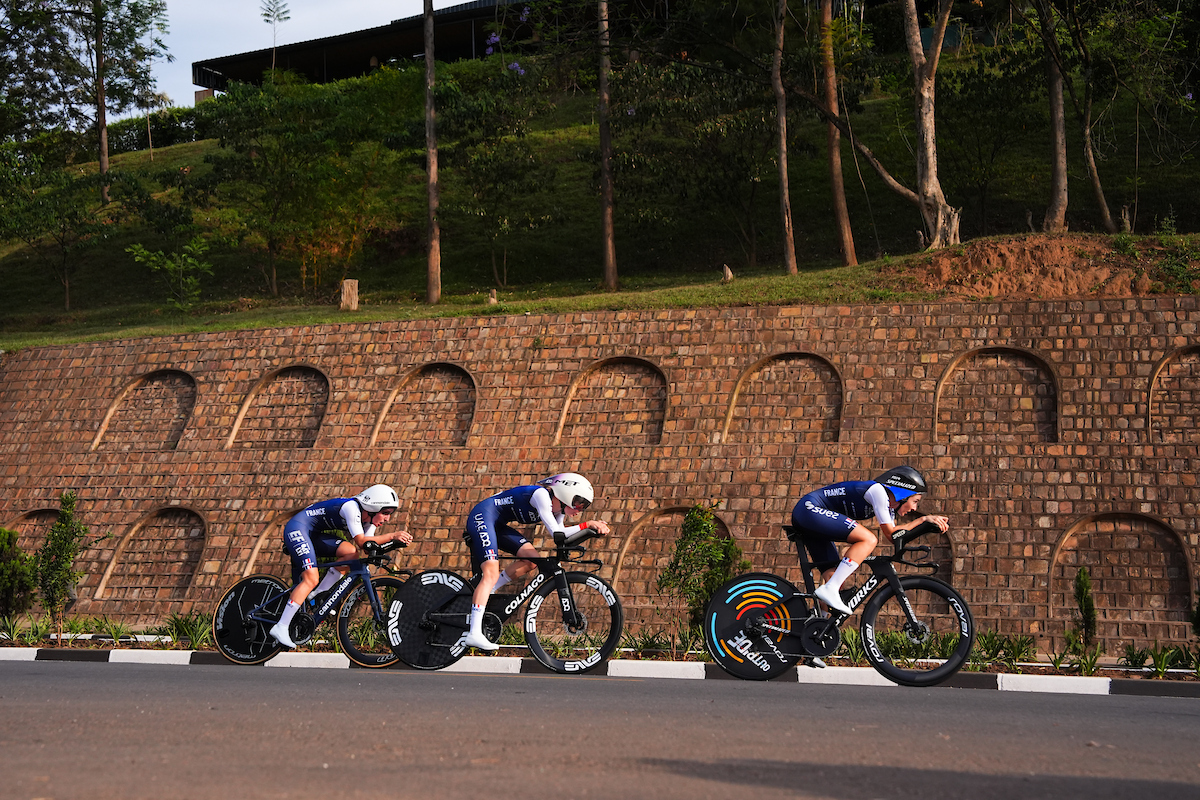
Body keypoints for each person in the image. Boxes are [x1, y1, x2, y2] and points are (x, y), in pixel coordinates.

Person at [460, 472, 610, 651]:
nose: (580, 509)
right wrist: (587, 525)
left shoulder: (558, 510)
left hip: (497, 524)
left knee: (532, 561)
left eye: (585, 506)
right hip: (483, 517)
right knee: (490, 573)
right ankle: (474, 633)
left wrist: (589, 529)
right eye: (579, 502)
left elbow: (562, 533)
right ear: (564, 494)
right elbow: (557, 534)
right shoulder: (541, 496)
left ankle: (488, 590)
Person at [269, 484, 413, 648]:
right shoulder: (351, 507)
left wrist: (394, 544)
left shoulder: (369, 521)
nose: (388, 519)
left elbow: (366, 547)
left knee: (351, 553)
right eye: (385, 513)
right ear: (372, 508)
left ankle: (317, 594)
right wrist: (393, 535)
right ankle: (281, 626)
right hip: (298, 528)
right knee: (311, 578)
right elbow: (362, 541)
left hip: (314, 534)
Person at [791, 466, 948, 617]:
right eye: (915, 501)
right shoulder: (878, 491)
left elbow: (895, 537)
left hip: (813, 518)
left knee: (836, 579)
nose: (914, 508)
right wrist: (922, 520)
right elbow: (890, 533)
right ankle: (830, 589)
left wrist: (926, 526)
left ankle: (815, 623)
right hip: (809, 509)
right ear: (903, 493)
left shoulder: (889, 507)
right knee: (868, 539)